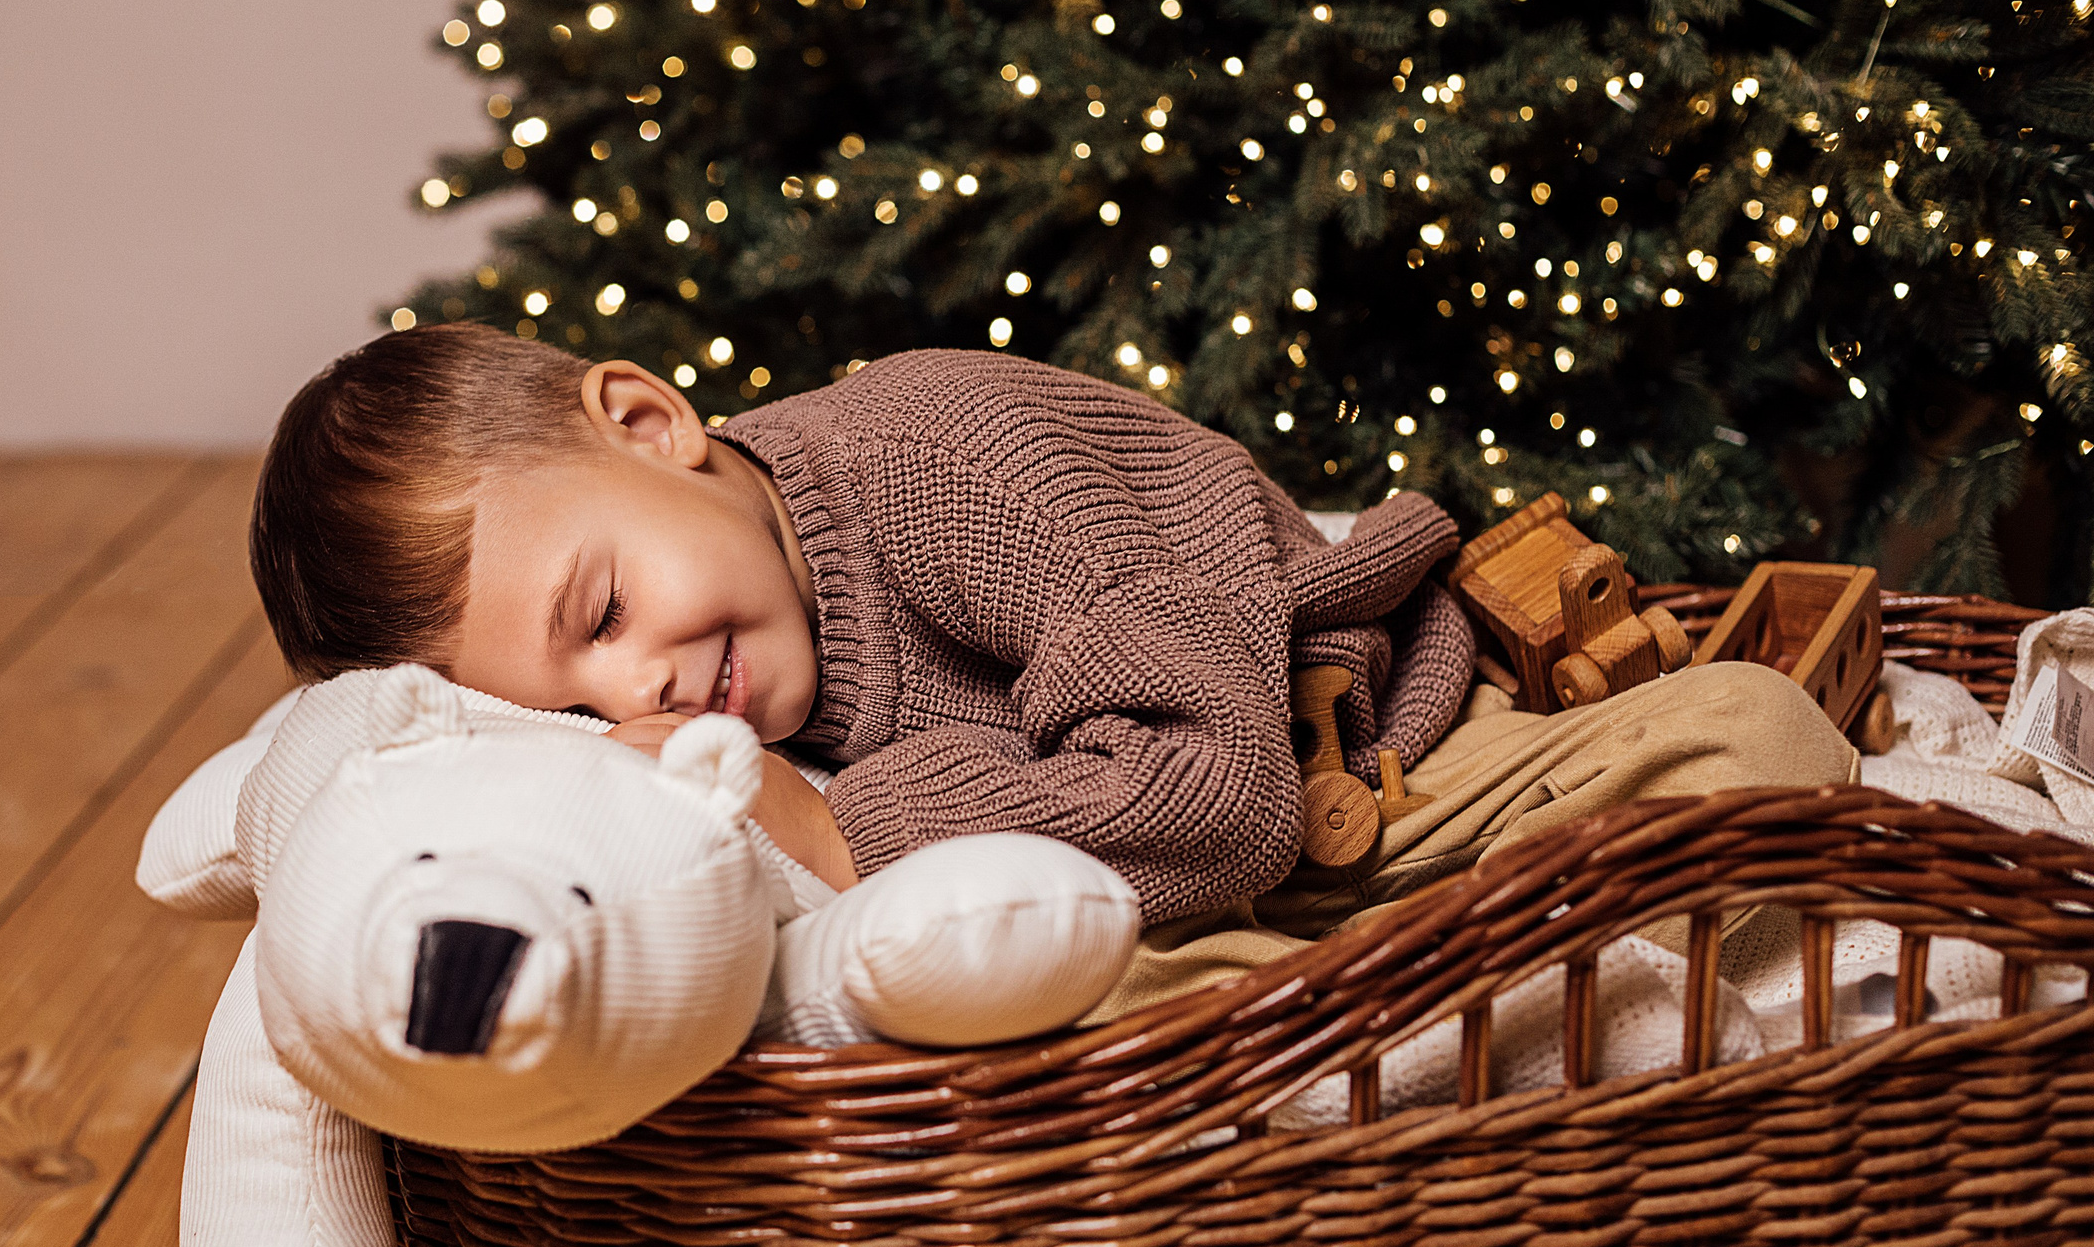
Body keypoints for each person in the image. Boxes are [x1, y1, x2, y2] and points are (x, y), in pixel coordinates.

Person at [249, 323, 1854, 1018]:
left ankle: (1416, 999)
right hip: (1152, 872)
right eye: (574, 709)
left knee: (1748, 738)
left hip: (1352, 759)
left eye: (600, 612)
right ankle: (1337, 1034)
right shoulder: (736, 678)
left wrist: (852, 838)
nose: (639, 701)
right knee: (1033, 1024)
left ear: (654, 428)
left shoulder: (943, 459)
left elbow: (1219, 801)